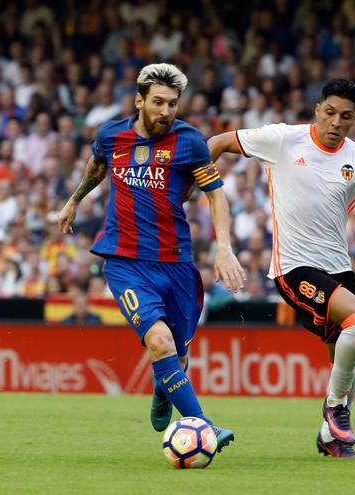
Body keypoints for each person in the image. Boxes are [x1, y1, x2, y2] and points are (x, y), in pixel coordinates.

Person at [207, 78, 355, 459]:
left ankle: (330, 438)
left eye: (346, 116)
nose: (336, 122)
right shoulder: (282, 139)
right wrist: (194, 183)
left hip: (339, 269)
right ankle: (335, 408)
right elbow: (218, 143)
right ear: (318, 109)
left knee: (344, 363)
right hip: (294, 268)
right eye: (330, 112)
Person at [58, 63, 245, 454]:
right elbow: (96, 167)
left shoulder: (190, 142)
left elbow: (215, 194)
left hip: (176, 263)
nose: (165, 111)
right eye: (158, 102)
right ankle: (205, 427)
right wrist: (74, 201)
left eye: (173, 104)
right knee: (159, 342)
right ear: (139, 101)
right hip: (125, 261)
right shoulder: (112, 135)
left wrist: (224, 248)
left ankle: (164, 388)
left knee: (176, 354)